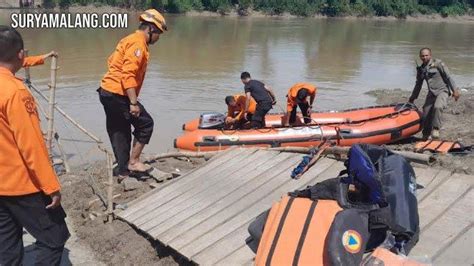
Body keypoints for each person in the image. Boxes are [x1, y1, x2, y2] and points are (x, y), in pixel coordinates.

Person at [0, 26, 69, 266]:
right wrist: (51, 186)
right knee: (54, 237)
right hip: (21, 184)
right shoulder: (16, 92)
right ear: (19, 54)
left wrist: (42, 58)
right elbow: (31, 144)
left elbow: (14, 61)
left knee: (7, 245)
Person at [98, 9, 167, 178]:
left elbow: (111, 61)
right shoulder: (138, 44)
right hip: (117, 93)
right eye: (158, 34)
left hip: (106, 91)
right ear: (150, 29)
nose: (158, 38)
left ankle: (123, 170)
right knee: (145, 124)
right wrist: (133, 103)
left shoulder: (128, 39)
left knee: (119, 130)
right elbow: (128, 75)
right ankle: (134, 162)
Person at [409, 47, 460, 140]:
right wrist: (412, 98)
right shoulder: (420, 69)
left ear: (430, 55)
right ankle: (425, 134)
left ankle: (436, 129)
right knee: (426, 113)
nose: (424, 57)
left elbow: (448, 77)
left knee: (438, 107)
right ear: (420, 57)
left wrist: (455, 90)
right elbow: (418, 85)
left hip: (442, 90)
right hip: (431, 93)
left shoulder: (438, 63)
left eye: (426, 55)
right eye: (422, 56)